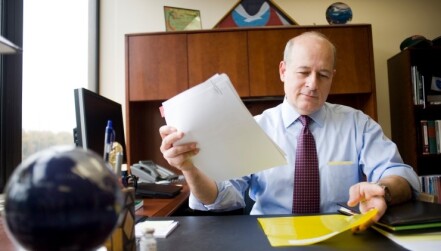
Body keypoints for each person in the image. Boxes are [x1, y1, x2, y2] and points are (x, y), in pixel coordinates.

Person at [159, 31, 420, 231]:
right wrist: (190, 169)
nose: (312, 84)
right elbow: (223, 196)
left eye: (323, 75)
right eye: (303, 72)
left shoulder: (357, 124)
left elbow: (400, 174)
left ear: (333, 77)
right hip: (269, 239)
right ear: (283, 71)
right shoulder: (255, 128)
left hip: (340, 236)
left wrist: (382, 190)